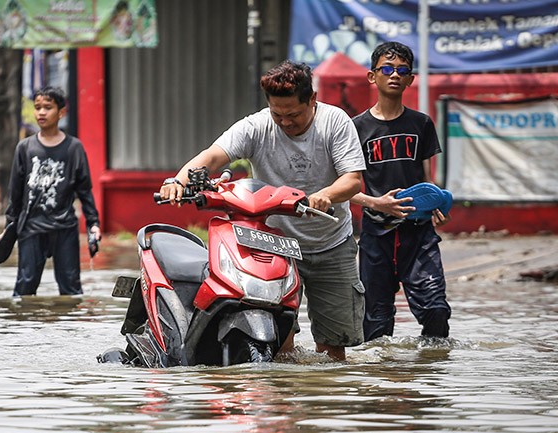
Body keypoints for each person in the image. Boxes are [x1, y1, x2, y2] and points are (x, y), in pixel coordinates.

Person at [160, 60, 366, 360]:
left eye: (293, 114)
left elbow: (352, 180)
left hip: (330, 244)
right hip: (273, 247)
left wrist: (323, 195)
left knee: (333, 349)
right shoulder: (256, 126)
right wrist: (177, 180)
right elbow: (213, 156)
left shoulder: (336, 122)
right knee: (279, 346)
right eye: (277, 114)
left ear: (312, 100)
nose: (285, 122)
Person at [351, 41, 451, 341]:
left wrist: (435, 202)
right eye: (387, 69)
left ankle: (429, 375)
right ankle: (383, 382)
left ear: (411, 79)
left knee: (436, 310)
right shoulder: (356, 128)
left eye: (402, 70)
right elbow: (345, 187)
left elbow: (426, 178)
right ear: (373, 76)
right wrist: (377, 204)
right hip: (376, 236)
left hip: (418, 233)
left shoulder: (421, 123)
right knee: (376, 325)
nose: (394, 75)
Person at [0, 86, 101, 296]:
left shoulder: (74, 148)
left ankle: (70, 329)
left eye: (48, 107)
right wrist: (9, 227)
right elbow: (15, 194)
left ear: (61, 112)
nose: (41, 113)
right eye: (37, 108)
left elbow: (85, 190)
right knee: (24, 290)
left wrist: (94, 224)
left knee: (72, 290)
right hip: (31, 227)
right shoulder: (25, 148)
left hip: (64, 228)